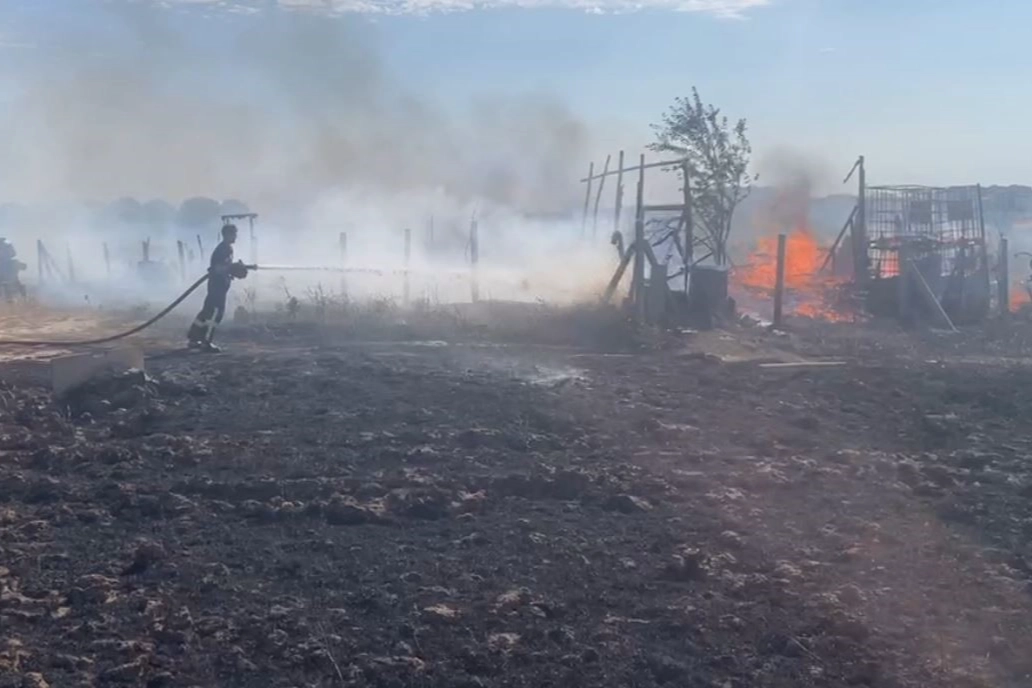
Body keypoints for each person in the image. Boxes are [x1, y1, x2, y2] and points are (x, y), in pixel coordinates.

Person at [187, 224, 248, 352]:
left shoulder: (227, 248)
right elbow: (217, 268)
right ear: (227, 235)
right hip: (218, 286)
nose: (235, 237)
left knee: (207, 311)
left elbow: (224, 267)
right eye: (234, 234)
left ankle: (194, 338)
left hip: (218, 285)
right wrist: (232, 268)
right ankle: (206, 342)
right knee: (215, 314)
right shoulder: (223, 249)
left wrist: (233, 268)